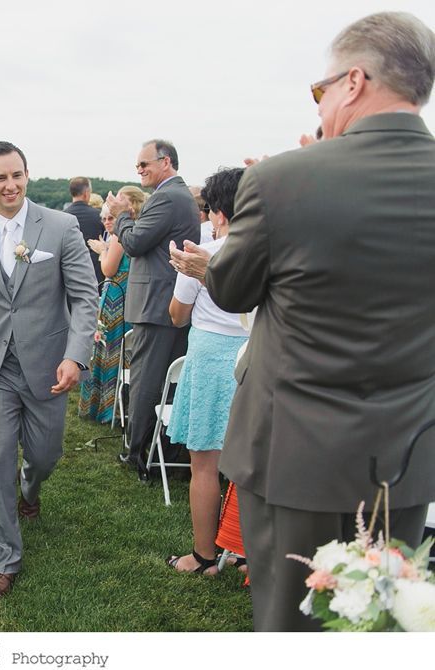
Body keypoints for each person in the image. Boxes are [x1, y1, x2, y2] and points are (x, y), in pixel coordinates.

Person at [171, 11, 435, 631]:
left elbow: (233, 289)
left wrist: (291, 186)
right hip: (407, 451)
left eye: (321, 90)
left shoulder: (281, 179)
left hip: (294, 451)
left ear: (354, 81)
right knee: (379, 616)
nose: (321, 105)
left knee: (293, 621)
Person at [0, 141, 98, 600]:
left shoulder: (62, 226)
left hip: (49, 366)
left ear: (26, 175)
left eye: (16, 175)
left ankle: (30, 488)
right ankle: (6, 558)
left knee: (45, 455)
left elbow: (84, 297)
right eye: (0, 177)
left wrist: (75, 355)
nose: (9, 185)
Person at [164, 167, 247, 575]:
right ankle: (247, 554)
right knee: (252, 464)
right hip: (255, 357)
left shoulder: (201, 253)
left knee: (205, 464)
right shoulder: (269, 252)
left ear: (218, 213)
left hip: (211, 357)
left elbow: (177, 316)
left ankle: (203, 557)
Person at [107, 139, 200, 481]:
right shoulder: (178, 196)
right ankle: (165, 451)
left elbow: (134, 243)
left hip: (156, 304)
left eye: (144, 164)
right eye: (137, 166)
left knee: (146, 381)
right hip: (169, 302)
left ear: (166, 162)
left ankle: (137, 452)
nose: (140, 170)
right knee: (167, 383)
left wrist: (122, 217)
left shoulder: (166, 197)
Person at [79, 186, 145, 423]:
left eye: (110, 217)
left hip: (117, 295)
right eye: (104, 218)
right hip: (129, 294)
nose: (107, 222)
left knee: (110, 347)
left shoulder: (119, 235)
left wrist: (103, 251)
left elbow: (108, 269)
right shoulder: (139, 229)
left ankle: (106, 407)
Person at [64, 176, 106, 284]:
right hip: (95, 271)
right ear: (86, 193)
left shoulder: (62, 217)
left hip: (70, 269)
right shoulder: (99, 216)